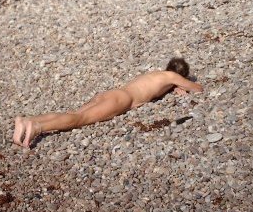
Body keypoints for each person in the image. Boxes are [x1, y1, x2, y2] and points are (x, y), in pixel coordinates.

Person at [12, 57, 203, 148]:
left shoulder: (156, 75)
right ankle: (37, 127)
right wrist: (182, 85)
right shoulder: (171, 76)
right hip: (122, 100)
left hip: (113, 94)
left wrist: (174, 88)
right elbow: (198, 88)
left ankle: (29, 120)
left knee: (74, 114)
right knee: (79, 119)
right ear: (180, 75)